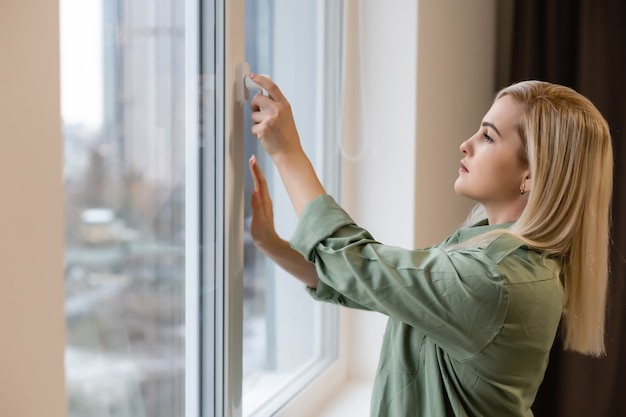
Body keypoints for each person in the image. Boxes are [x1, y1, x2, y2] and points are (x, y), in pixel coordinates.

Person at [247, 75, 613, 416]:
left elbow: (358, 264)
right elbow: (375, 285)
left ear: (532, 174)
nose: (465, 145)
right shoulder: (490, 249)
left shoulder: (494, 279)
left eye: (488, 137)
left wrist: (286, 152)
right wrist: (272, 244)